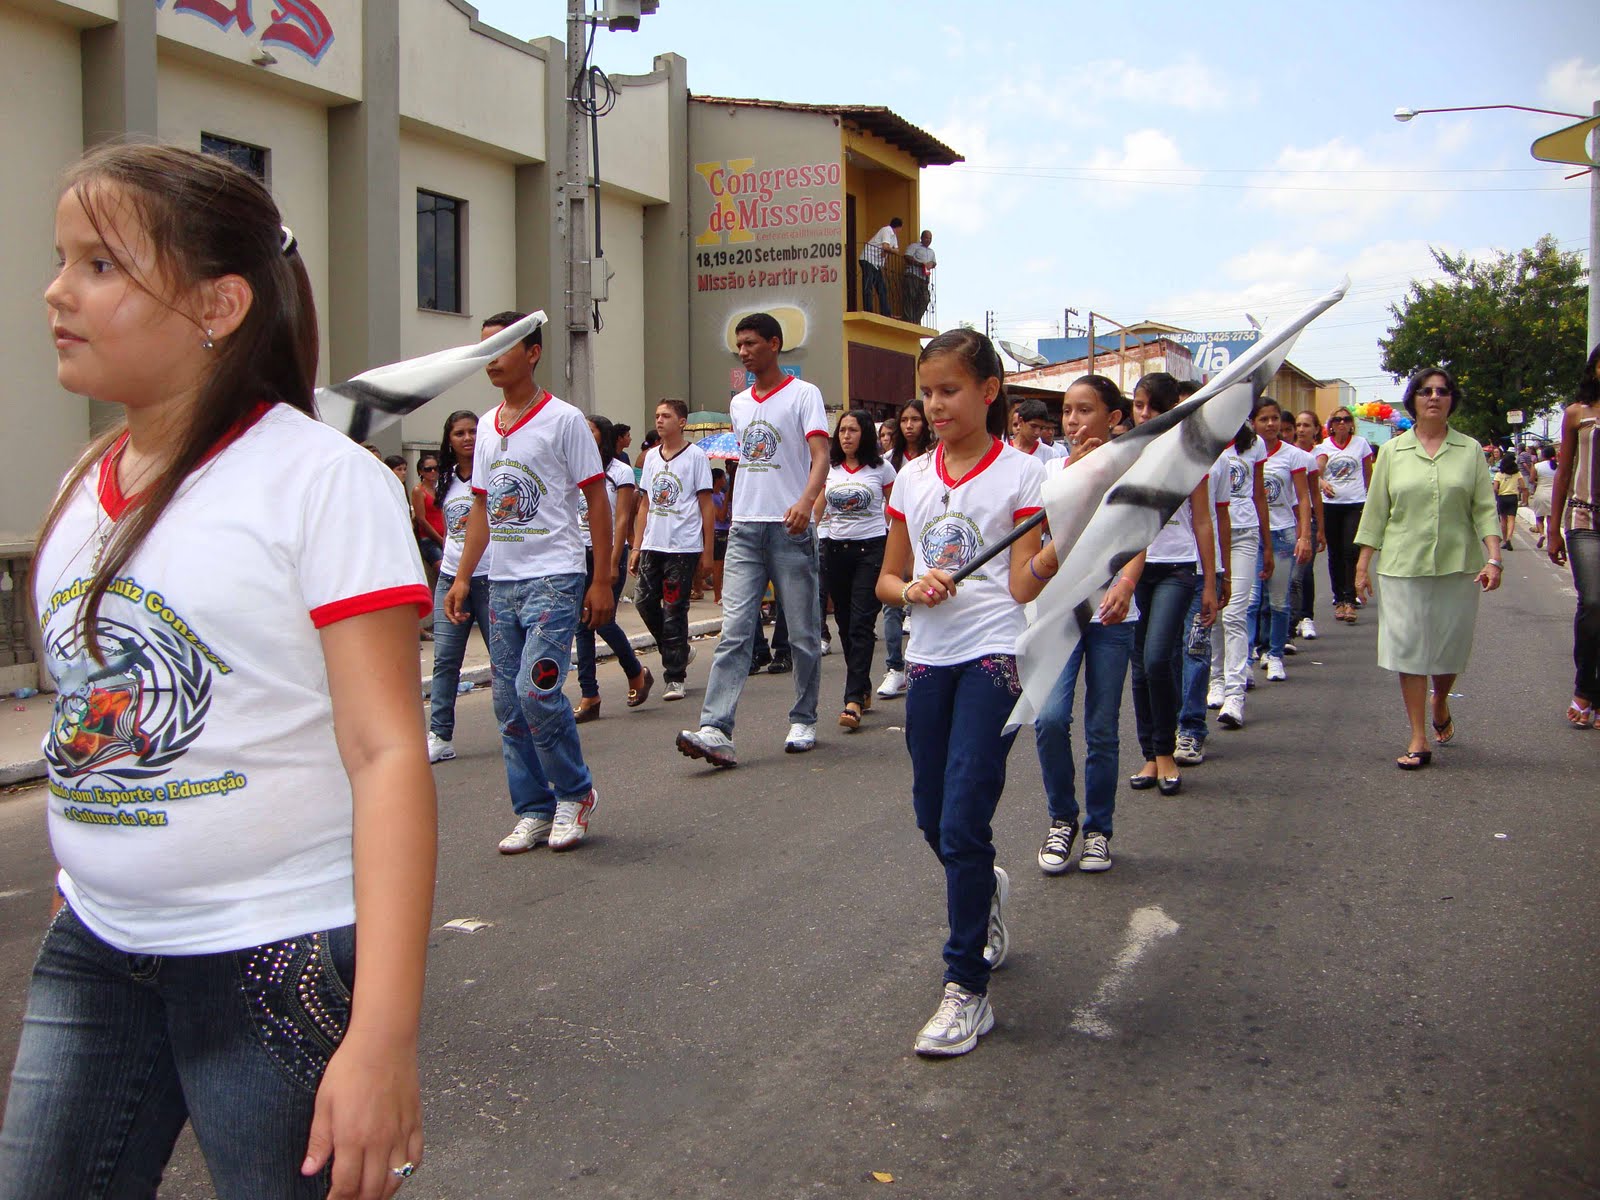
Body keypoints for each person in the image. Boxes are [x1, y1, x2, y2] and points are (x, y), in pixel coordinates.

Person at [4, 142, 434, 1194]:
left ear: (219, 304)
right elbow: (89, 709)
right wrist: (83, 874)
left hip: (273, 959)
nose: (57, 292)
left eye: (100, 265)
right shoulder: (83, 483)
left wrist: (380, 1039)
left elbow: (385, 753)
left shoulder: (321, 481)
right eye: (62, 260)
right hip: (97, 946)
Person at [875, 328, 1049, 1057]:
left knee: (963, 816)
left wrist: (1062, 546)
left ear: (989, 390)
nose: (935, 405)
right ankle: (983, 888)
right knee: (931, 817)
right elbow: (887, 579)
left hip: (994, 654)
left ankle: (966, 988)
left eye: (949, 390)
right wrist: (912, 588)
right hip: (928, 657)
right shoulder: (911, 478)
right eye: (928, 393)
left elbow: (1023, 583)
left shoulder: (1023, 476)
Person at [446, 311, 612, 853]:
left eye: (502, 346)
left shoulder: (564, 420)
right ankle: (534, 808)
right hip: (502, 582)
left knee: (535, 689)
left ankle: (575, 793)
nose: (490, 358)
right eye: (485, 348)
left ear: (533, 352)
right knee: (507, 703)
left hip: (555, 576)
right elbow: (482, 507)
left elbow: (595, 498)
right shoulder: (487, 427)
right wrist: (463, 576)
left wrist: (602, 579)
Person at [677, 312, 830, 765]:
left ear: (774, 344)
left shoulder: (804, 394)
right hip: (745, 529)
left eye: (750, 343)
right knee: (735, 631)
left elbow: (821, 456)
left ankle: (803, 717)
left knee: (802, 633)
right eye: (738, 345)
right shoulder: (740, 404)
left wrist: (806, 502)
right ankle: (715, 728)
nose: (743, 352)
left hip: (790, 529)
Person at [1355, 367, 1500, 769]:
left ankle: (1441, 700)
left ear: (1452, 400)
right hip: (1403, 566)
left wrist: (1494, 557)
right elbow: (1376, 511)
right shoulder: (1392, 451)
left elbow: (1484, 508)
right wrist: (1363, 565)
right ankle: (1418, 737)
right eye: (1425, 391)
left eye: (1441, 391)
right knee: (1410, 649)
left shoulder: (1470, 450)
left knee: (1449, 649)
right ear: (1413, 400)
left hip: (1458, 566)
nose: (1433, 397)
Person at [1033, 374, 1139, 874]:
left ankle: (1098, 830)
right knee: (1050, 718)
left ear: (1113, 417)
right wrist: (1076, 472)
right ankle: (1062, 818)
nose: (1073, 420)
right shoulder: (1051, 468)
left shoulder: (1132, 466)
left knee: (1102, 727)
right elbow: (1040, 531)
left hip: (1112, 615)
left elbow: (1139, 533)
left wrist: (1127, 583)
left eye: (1085, 410)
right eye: (1067, 411)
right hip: (1061, 610)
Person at [1127, 373, 1216, 795]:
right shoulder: (1125, 452)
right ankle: (1150, 754)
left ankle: (1166, 750)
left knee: (1159, 658)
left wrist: (1211, 583)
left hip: (1177, 568)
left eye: (1154, 406)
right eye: (1138, 405)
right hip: (1130, 571)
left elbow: (1203, 521)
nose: (1145, 414)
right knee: (1139, 666)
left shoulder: (1191, 456)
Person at [816, 409, 895, 729]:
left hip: (871, 551)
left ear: (865, 434)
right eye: (842, 430)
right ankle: (861, 686)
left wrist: (898, 551)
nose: (846, 436)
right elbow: (817, 508)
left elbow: (895, 511)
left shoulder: (882, 469)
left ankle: (852, 701)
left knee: (862, 624)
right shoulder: (829, 469)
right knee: (845, 624)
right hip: (835, 550)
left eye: (853, 430)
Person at [632, 398, 715, 704]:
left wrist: (708, 551)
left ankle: (675, 675)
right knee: (643, 601)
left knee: (674, 609)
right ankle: (678, 649)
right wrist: (637, 545)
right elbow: (645, 504)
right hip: (653, 543)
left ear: (681, 422)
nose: (659, 420)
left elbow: (706, 505)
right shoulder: (651, 458)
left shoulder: (696, 457)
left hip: (683, 545)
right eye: (657, 415)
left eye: (666, 415)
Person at [573, 413, 652, 722]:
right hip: (578, 553)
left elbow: (621, 518)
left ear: (603, 436)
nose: (584, 435)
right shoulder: (576, 467)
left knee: (603, 621)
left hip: (606, 553)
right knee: (582, 625)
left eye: (590, 431)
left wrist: (613, 561)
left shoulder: (620, 471)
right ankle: (589, 695)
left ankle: (635, 672)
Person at [428, 409, 492, 764]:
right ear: (449, 440)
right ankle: (440, 735)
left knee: (504, 660)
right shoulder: (445, 478)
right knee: (446, 659)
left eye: (473, 431)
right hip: (451, 579)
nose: (468, 438)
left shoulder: (492, 471)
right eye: (459, 433)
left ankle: (517, 730)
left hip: (490, 578)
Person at [1176, 379, 1232, 767]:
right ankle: (1162, 732)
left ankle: (1192, 728)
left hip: (1201, 572)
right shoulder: (1157, 456)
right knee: (1162, 657)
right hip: (1161, 572)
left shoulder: (1219, 459)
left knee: (1195, 648)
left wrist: (1220, 574)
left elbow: (1217, 518)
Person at [1547, 345, 1600, 727]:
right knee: (1594, 603)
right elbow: (1563, 472)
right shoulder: (1577, 413)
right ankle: (1584, 687)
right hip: (1585, 518)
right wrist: (1553, 529)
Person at [1244, 399, 1313, 683]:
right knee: (1250, 602)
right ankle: (1245, 660)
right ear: (1253, 423)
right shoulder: (1246, 452)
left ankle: (1274, 655)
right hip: (1250, 534)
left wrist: (1304, 535)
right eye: (1264, 419)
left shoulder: (1292, 455)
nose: (1271, 424)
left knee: (1279, 601)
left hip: (1283, 533)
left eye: (1274, 418)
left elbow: (1304, 497)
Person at [1211, 418, 1272, 730]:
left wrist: (1268, 545)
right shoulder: (1204, 439)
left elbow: (1259, 494)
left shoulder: (1254, 444)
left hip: (1244, 534)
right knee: (1212, 614)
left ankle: (1235, 695)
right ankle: (1216, 680)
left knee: (1235, 613)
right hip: (1209, 535)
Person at [1315, 406, 1375, 624]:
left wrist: (1372, 501)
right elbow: (1317, 472)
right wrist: (1322, 482)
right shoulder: (1323, 447)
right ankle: (1339, 598)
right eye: (1337, 420)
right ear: (1330, 425)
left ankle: (1350, 600)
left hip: (1355, 503)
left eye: (1346, 419)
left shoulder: (1361, 444)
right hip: (1331, 505)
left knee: (1351, 550)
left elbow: (1368, 474)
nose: (1342, 423)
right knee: (1335, 553)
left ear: (1352, 424)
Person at [1287, 411, 1326, 640]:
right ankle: (1288, 624)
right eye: (1298, 425)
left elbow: (1314, 495)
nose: (1301, 430)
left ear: (1315, 429)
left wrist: (1320, 528)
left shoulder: (1311, 457)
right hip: (1284, 520)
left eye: (1306, 425)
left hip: (1305, 520)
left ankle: (1305, 617)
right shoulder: (1278, 455)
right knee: (1288, 577)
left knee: (1302, 572)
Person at [859, 217, 902, 316]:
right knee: (868, 285)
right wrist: (888, 249)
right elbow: (885, 247)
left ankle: (886, 313)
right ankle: (868, 311)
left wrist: (888, 250)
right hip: (868, 259)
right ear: (899, 227)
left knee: (882, 288)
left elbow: (897, 250)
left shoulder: (894, 237)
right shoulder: (887, 230)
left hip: (876, 263)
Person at [412, 450, 445, 571]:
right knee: (442, 568)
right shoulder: (418, 490)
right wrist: (440, 540)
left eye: (436, 468)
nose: (433, 472)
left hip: (446, 537)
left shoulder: (440, 488)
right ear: (421, 471)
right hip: (429, 539)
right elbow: (421, 520)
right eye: (428, 469)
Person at [1492, 451, 1528, 550]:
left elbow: (1495, 488)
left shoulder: (1499, 474)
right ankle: (1509, 538)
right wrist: (1518, 489)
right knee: (1511, 519)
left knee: (1503, 519)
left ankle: (1504, 540)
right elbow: (1523, 486)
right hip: (1513, 497)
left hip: (1502, 497)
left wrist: (1498, 492)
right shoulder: (1517, 474)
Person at [902, 229, 936, 324]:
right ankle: (909, 319)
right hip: (913, 275)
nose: (928, 240)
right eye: (926, 238)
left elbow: (934, 263)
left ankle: (916, 320)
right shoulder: (914, 246)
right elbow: (907, 256)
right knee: (910, 297)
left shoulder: (931, 252)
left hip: (924, 278)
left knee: (925, 299)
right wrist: (920, 264)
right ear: (922, 238)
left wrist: (931, 264)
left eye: (930, 238)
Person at [1530, 444, 1557, 549]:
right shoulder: (1558, 466)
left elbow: (1531, 480)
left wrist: (1538, 482)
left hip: (1541, 492)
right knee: (1550, 520)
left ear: (1543, 455)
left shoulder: (1537, 466)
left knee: (1539, 517)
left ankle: (1541, 534)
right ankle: (1550, 542)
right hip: (1553, 494)